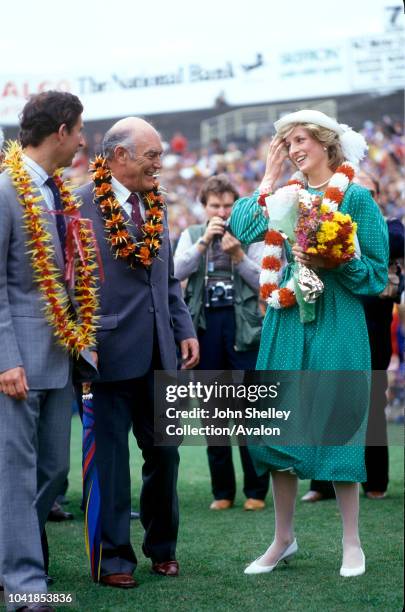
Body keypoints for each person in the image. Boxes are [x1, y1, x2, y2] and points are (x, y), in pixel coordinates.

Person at [230, 109, 388, 578]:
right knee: (280, 429)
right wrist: (268, 176)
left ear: (324, 143)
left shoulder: (356, 199)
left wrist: (335, 259)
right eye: (287, 142)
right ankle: (283, 539)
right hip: (286, 322)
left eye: (301, 140)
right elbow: (244, 228)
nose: (294, 148)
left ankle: (352, 544)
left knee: (339, 425)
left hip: (338, 320)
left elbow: (376, 274)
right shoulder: (283, 194)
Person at [76, 117, 199, 588]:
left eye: (161, 154)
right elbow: (72, 285)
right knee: (109, 461)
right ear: (119, 156)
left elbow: (166, 279)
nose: (159, 164)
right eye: (152, 155)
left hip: (160, 352)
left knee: (165, 455)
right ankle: (114, 559)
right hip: (105, 356)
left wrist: (182, 327)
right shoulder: (80, 206)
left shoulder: (156, 203)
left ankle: (162, 549)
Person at [0, 91, 98, 612]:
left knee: (55, 471)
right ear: (61, 131)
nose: (84, 140)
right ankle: (24, 585)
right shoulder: (5, 190)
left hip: (61, 358)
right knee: (16, 471)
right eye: (80, 130)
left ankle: (10, 558)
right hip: (17, 363)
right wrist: (5, 358)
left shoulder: (56, 191)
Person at [301, 171, 404, 503]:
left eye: (370, 194)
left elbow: (394, 240)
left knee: (371, 403)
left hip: (372, 330)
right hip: (334, 323)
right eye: (357, 193)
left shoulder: (389, 228)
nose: (363, 200)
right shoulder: (329, 221)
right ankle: (321, 483)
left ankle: (375, 480)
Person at [174, 174, 269, 511]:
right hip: (205, 328)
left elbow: (265, 283)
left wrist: (239, 256)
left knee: (250, 413)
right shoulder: (191, 234)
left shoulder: (252, 235)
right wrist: (202, 246)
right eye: (215, 205)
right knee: (214, 414)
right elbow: (174, 272)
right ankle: (222, 492)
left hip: (244, 329)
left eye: (228, 205)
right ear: (204, 207)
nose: (223, 212)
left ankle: (256, 491)